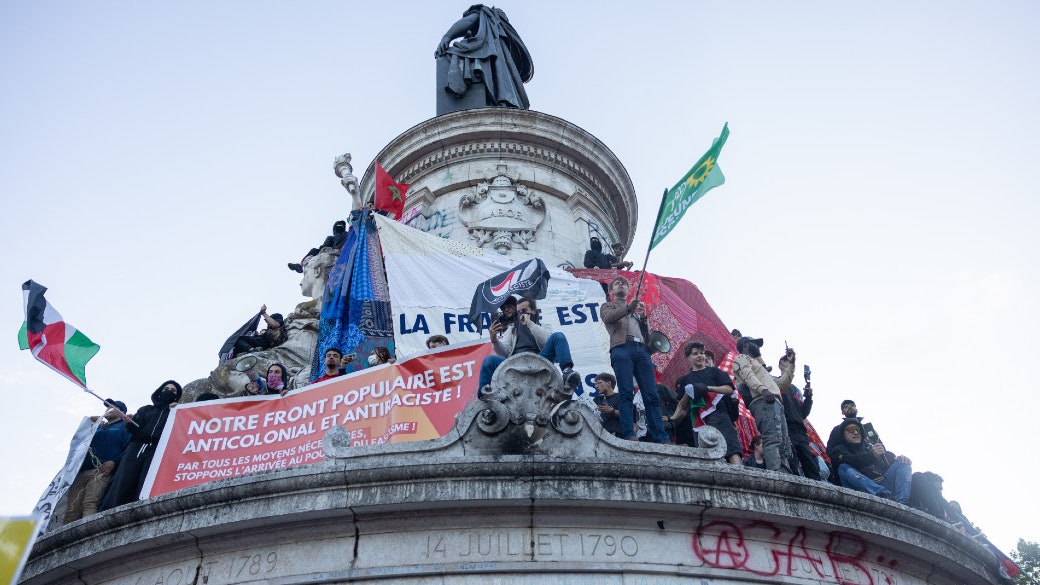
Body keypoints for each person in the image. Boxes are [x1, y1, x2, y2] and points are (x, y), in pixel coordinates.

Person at [600, 277, 670, 443]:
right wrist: (627, 307)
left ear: (629, 290)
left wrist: (644, 319)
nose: (621, 285)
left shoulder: (636, 309)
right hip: (621, 348)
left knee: (652, 395)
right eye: (617, 283)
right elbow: (608, 318)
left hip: (642, 350)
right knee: (626, 393)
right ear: (611, 291)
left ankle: (660, 436)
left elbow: (646, 336)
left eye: (624, 283)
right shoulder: (608, 305)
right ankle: (629, 434)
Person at [435, 4, 533, 116]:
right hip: (500, 72)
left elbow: (469, 21)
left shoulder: (485, 15)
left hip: (488, 56)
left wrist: (447, 37)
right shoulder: (502, 43)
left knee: (454, 52)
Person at [100, 381, 182, 510]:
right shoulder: (146, 409)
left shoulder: (176, 412)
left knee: (145, 484)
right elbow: (134, 427)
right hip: (135, 449)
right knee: (123, 482)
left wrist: (176, 411)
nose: (169, 391)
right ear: (160, 391)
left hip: (156, 452)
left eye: (173, 391)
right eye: (166, 388)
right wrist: (129, 422)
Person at [478, 296, 581, 391]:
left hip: (540, 360)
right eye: (518, 312)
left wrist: (530, 324)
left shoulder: (544, 326)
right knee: (489, 360)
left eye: (524, 311)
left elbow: (547, 340)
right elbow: (505, 352)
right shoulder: (512, 329)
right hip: (515, 363)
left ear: (533, 311)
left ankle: (567, 372)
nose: (521, 314)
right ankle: (484, 394)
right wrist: (494, 340)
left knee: (559, 336)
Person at [667, 342, 741, 463]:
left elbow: (729, 389)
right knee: (705, 456)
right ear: (688, 357)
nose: (700, 356)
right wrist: (687, 394)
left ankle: (740, 477)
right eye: (695, 353)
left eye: (702, 353)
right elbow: (683, 406)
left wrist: (708, 388)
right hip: (698, 421)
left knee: (732, 449)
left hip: (720, 415)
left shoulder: (715, 372)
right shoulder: (685, 379)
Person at [732, 337, 795, 472]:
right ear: (745, 345)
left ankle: (784, 474)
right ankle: (776, 474)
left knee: (783, 444)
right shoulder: (742, 358)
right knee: (772, 439)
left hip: (774, 402)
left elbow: (782, 384)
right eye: (755, 344)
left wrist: (791, 365)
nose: (758, 347)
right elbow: (748, 375)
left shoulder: (759, 366)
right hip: (763, 401)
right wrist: (764, 390)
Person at [64, 400, 131, 522]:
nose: (108, 409)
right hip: (82, 471)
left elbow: (129, 449)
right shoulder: (97, 427)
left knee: (89, 503)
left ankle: (86, 535)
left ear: (122, 413)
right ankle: (66, 540)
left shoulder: (124, 427)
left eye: (113, 407)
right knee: (72, 509)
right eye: (107, 407)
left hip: (101, 471)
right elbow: (78, 443)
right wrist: (88, 424)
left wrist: (114, 462)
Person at [827, 418, 912, 504]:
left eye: (858, 429)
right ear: (843, 435)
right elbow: (850, 459)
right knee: (843, 467)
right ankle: (881, 494)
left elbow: (888, 466)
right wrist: (872, 456)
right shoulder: (838, 450)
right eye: (850, 429)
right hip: (859, 490)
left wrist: (899, 459)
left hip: (885, 487)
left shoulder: (871, 447)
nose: (855, 432)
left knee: (903, 461)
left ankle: (901, 501)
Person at [778, 354, 821, 480]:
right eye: (785, 360)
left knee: (810, 464)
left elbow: (803, 413)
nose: (787, 363)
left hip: (800, 430)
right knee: (792, 462)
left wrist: (809, 398)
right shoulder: (775, 381)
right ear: (779, 364)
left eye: (789, 361)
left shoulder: (796, 389)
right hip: (784, 428)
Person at [592, 373, 636, 438]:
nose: (596, 386)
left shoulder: (622, 398)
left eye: (599, 383)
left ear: (609, 383)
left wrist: (612, 411)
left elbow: (630, 416)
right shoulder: (597, 399)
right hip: (601, 436)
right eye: (596, 384)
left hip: (619, 436)